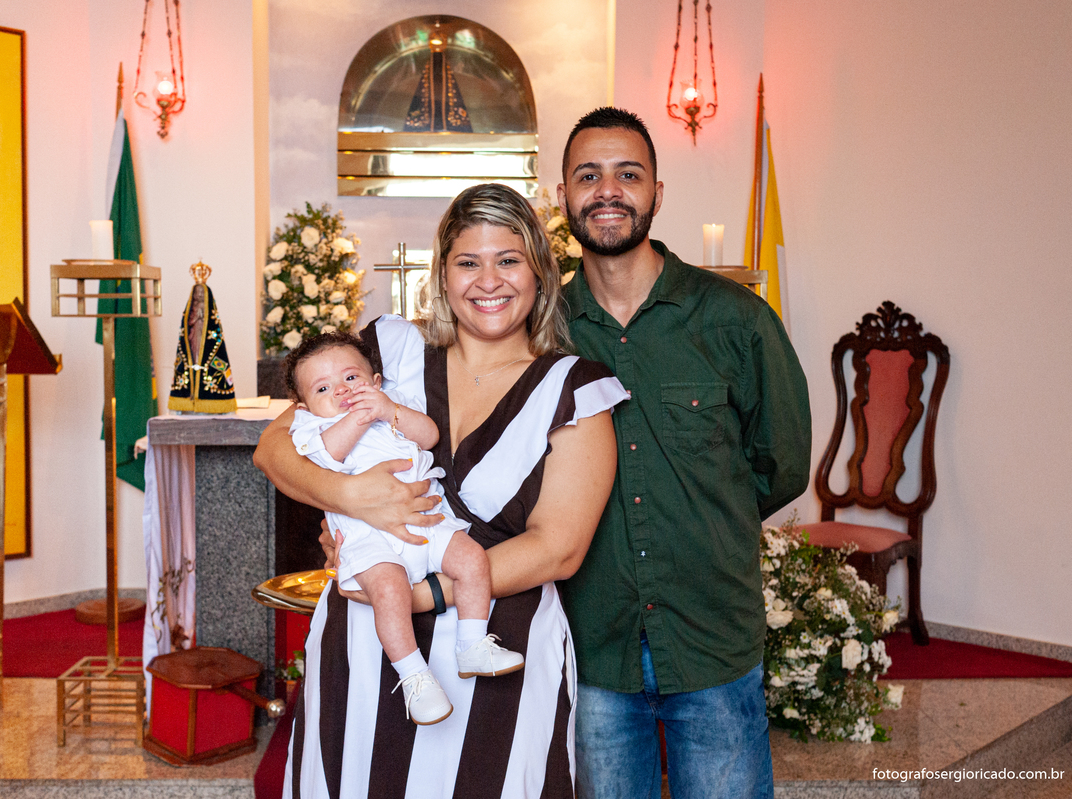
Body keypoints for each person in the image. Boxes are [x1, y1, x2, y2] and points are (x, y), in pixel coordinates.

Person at [253, 182, 629, 798]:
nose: (489, 281)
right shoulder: (389, 353)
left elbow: (558, 547)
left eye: (508, 260)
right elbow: (275, 447)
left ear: (539, 272)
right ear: (443, 274)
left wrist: (423, 593)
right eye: (467, 262)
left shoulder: (575, 387)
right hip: (365, 638)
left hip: (496, 643)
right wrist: (349, 499)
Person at [555, 107, 812, 799]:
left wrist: (703, 517)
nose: (608, 189)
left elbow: (781, 463)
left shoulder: (736, 318)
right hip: (592, 640)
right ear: (563, 198)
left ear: (657, 193)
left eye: (628, 173)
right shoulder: (542, 329)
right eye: (588, 174)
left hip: (710, 635)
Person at [282, 330, 525, 726]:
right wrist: (359, 417)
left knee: (472, 559)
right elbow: (328, 457)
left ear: (376, 382)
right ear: (305, 405)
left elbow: (428, 435)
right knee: (391, 591)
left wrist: (385, 409)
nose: (342, 392)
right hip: (369, 539)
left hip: (427, 521)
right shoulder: (311, 430)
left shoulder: (391, 408)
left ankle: (473, 643)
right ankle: (414, 677)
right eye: (324, 388)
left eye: (351, 379)